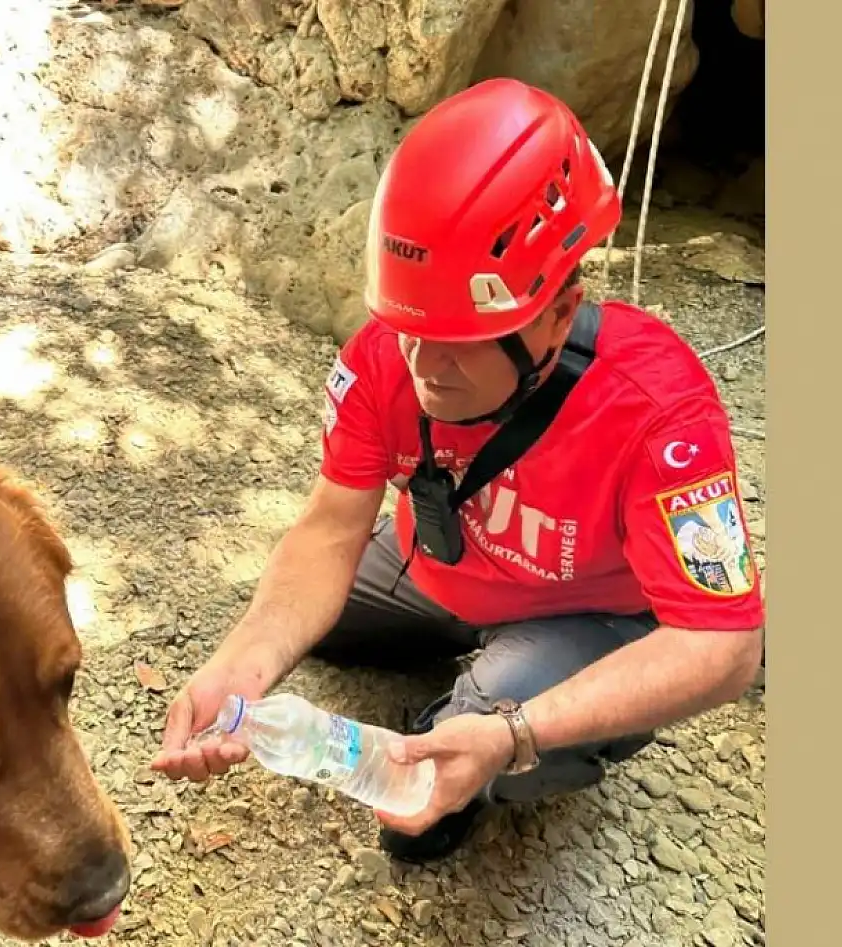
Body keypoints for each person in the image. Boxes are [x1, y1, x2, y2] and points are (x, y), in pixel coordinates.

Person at [150, 77, 765, 864]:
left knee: (459, 753)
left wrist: (513, 735)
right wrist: (240, 668)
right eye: (410, 327)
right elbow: (330, 529)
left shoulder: (660, 408)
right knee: (311, 631)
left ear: (556, 311)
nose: (423, 364)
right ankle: (491, 671)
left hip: (589, 610)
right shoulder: (387, 353)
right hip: (443, 565)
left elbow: (721, 648)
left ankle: (504, 719)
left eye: (461, 338)